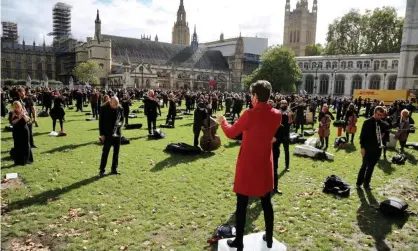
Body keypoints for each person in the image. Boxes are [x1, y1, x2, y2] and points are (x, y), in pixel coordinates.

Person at [216, 80, 282, 251]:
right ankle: (269, 237)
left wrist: (223, 121)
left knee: (242, 203)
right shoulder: (277, 114)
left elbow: (231, 133)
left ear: (254, 96)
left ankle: (239, 241)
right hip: (265, 163)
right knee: (266, 202)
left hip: (248, 163)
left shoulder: (250, 114)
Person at [356, 106, 385, 190]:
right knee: (364, 166)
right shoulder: (367, 122)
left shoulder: (382, 124)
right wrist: (362, 148)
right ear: (374, 113)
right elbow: (362, 136)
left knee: (371, 167)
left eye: (381, 115)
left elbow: (386, 134)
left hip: (377, 149)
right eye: (379, 115)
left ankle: (366, 184)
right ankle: (358, 183)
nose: (380, 117)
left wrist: (383, 135)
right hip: (367, 148)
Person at [99, 96, 124, 177]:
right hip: (107, 134)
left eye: (116, 105)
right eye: (114, 105)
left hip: (117, 133)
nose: (115, 107)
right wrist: (102, 134)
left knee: (116, 152)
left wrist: (120, 124)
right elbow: (101, 122)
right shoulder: (103, 108)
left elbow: (122, 118)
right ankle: (102, 170)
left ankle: (114, 169)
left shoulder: (119, 107)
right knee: (105, 153)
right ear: (110, 102)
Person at [272, 100, 292, 193]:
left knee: (286, 150)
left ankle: (287, 165)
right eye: (282, 103)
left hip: (286, 134)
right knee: (277, 151)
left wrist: (290, 117)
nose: (283, 104)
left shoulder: (289, 112)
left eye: (285, 103)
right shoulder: (277, 111)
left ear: (287, 104)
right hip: (278, 135)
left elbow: (291, 123)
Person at [10, 101, 33, 166]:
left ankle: (26, 159)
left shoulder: (24, 112)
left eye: (18, 107)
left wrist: (24, 116)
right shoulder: (12, 113)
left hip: (24, 130)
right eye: (15, 107)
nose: (16, 108)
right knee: (17, 144)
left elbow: (28, 121)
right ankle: (18, 160)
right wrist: (18, 117)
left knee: (26, 144)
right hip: (16, 131)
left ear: (20, 107)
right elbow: (13, 122)